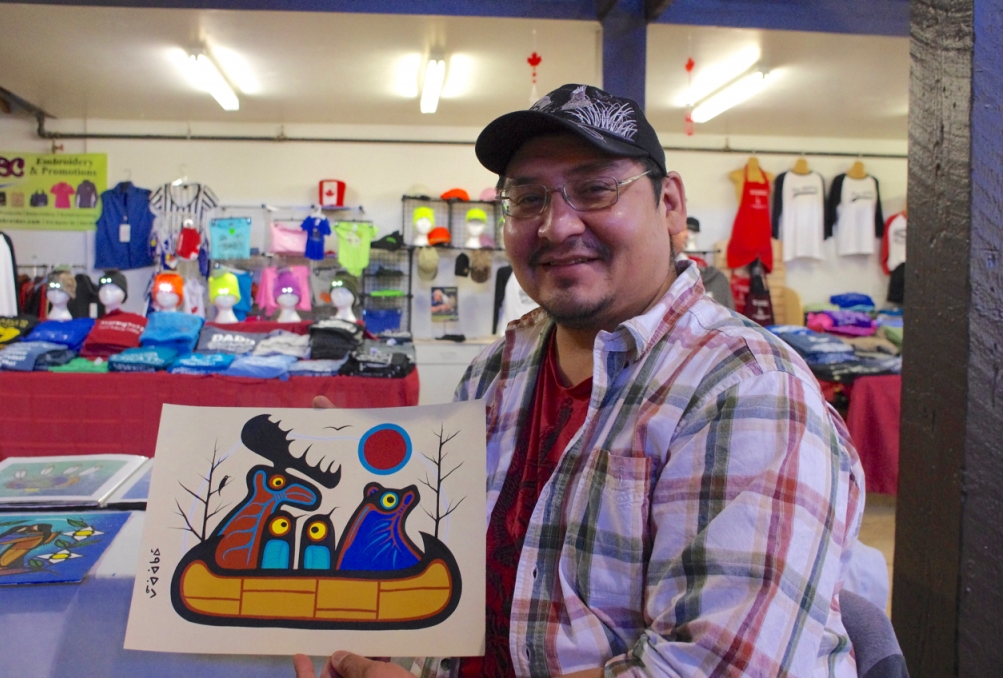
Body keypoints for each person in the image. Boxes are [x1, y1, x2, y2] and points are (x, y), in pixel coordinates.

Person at [300, 83, 864, 678]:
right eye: (528, 199)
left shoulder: (748, 389)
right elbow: (452, 562)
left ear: (670, 204)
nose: (556, 225)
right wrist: (364, 488)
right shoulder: (495, 372)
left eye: (595, 189)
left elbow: (709, 668)